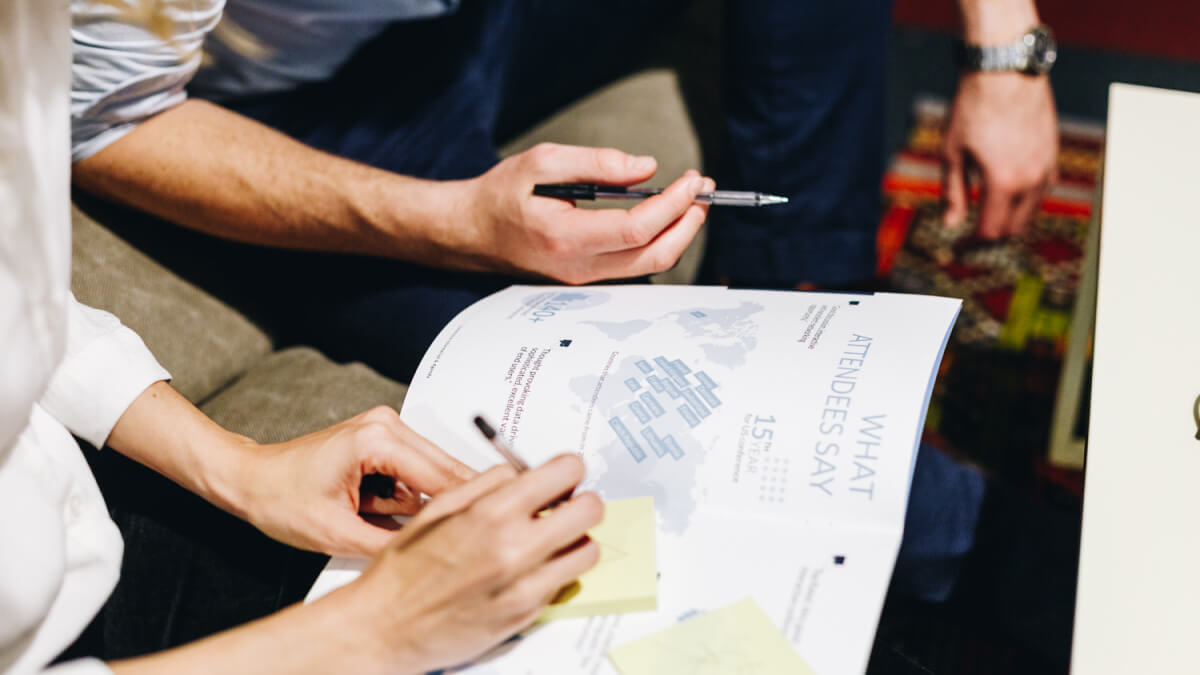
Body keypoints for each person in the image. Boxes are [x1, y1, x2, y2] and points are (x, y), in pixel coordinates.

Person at [1, 4, 605, 673]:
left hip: (91, 501)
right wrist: (376, 628)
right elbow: (106, 117)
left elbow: (21, 307)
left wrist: (238, 466)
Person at [69, 0, 1057, 383]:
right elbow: (104, 119)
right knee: (600, 380)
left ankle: (810, 312)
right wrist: (455, 224)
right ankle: (954, 546)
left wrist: (1005, 51)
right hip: (309, 107)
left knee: (792, 340)